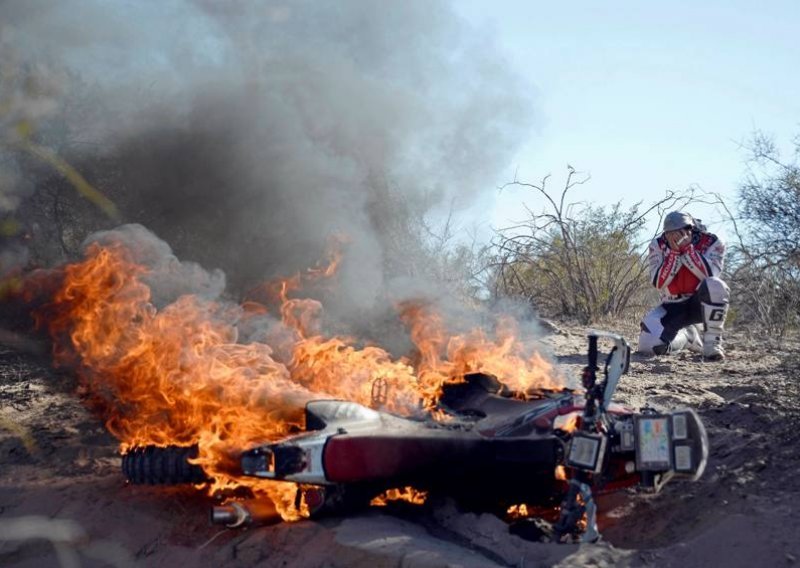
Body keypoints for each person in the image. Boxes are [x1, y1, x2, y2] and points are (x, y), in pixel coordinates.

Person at [637, 211, 730, 361]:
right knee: (648, 345)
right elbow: (659, 282)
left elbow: (709, 274)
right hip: (672, 305)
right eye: (670, 233)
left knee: (715, 285)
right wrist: (674, 254)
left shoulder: (712, 242)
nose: (677, 236)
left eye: (682, 231)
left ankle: (712, 344)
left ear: (691, 229)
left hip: (700, 303)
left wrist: (688, 250)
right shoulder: (657, 245)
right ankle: (687, 337)